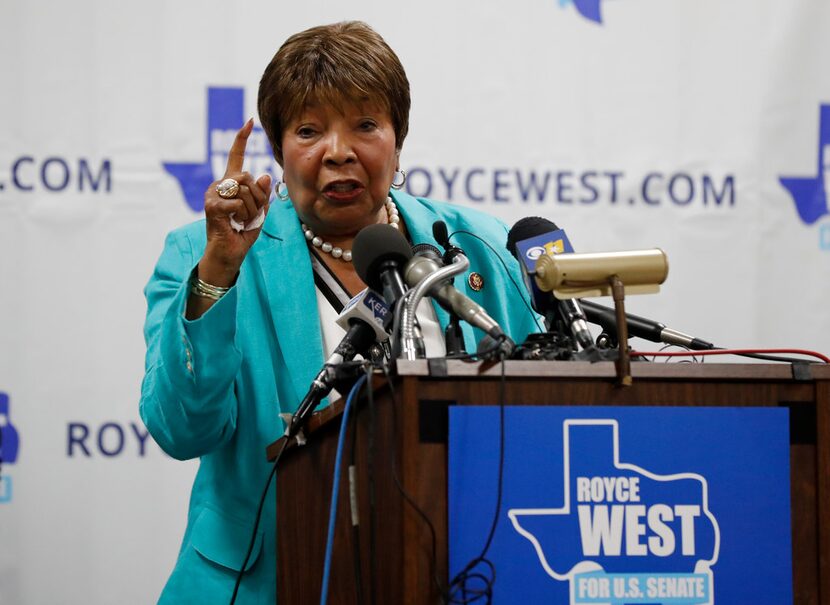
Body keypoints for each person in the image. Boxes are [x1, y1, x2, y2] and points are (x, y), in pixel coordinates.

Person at [140, 21, 539, 604]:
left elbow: (538, 405)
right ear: (278, 152)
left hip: (459, 571)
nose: (338, 151)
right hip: (267, 581)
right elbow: (181, 430)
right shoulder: (204, 254)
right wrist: (219, 270)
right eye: (308, 130)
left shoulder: (477, 246)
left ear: (397, 139)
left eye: (366, 125)